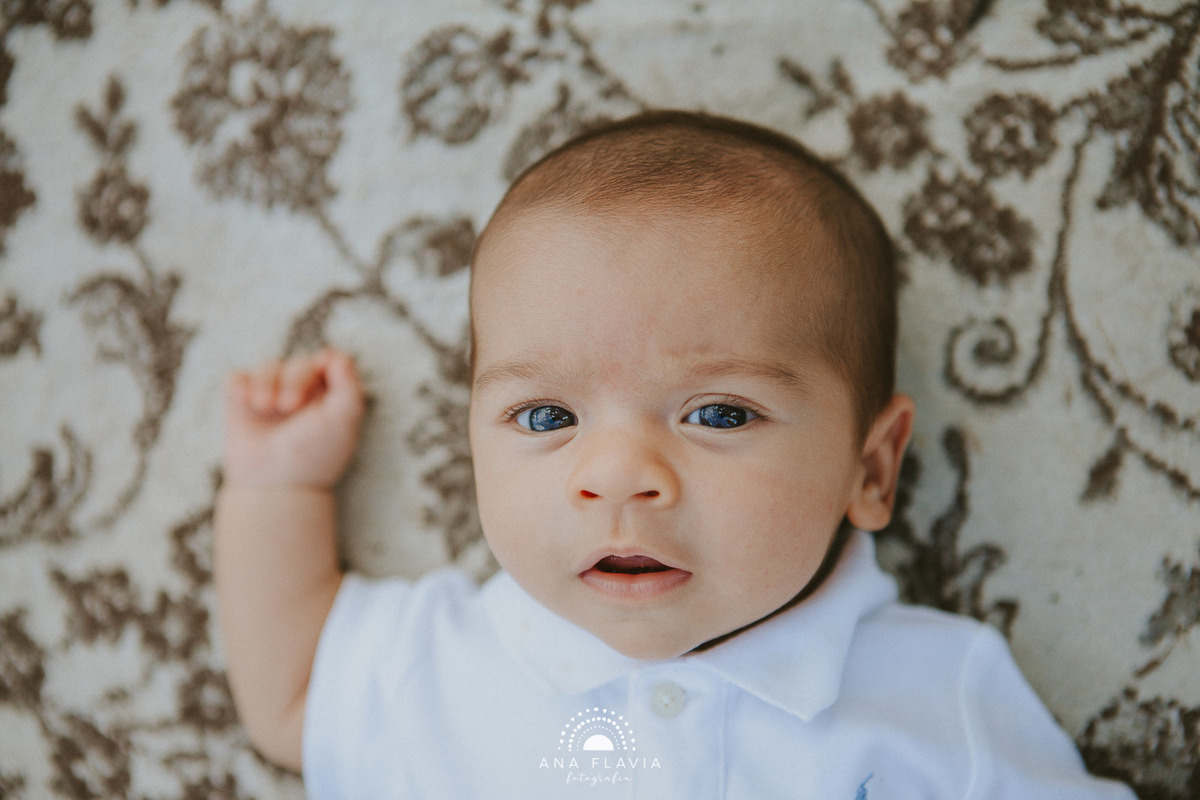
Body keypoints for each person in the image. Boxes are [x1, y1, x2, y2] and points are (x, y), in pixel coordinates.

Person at [215, 111, 1134, 797]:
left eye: (721, 413)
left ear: (871, 469)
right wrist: (277, 481)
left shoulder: (934, 691)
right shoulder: (440, 662)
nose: (616, 475)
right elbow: (288, 690)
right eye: (543, 418)